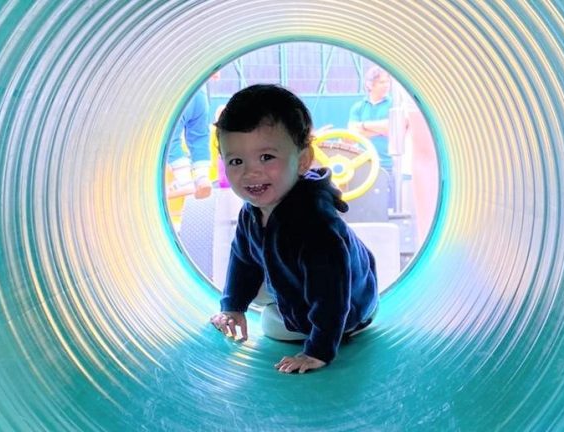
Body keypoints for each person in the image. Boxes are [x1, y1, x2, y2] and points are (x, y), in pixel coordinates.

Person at [209, 84, 379, 374]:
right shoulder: (252, 211)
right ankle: (277, 302)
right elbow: (243, 259)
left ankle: (328, 327)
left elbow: (332, 293)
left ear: (302, 161)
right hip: (298, 278)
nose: (251, 172)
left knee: (271, 325)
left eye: (266, 157)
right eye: (236, 161)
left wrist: (318, 351)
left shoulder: (315, 224)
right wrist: (233, 306)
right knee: (254, 281)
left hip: (350, 305)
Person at [347, 66, 395, 206]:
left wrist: (363, 126)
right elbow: (352, 132)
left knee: (387, 205)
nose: (386, 85)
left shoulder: (394, 104)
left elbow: (391, 128)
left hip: (387, 164)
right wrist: (380, 129)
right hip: (364, 163)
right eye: (382, 82)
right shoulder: (358, 107)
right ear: (370, 84)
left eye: (388, 82)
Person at [166, 87, 213, 199]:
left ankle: (184, 180)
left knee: (170, 137)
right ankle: (202, 177)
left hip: (179, 94)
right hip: (200, 94)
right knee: (200, 138)